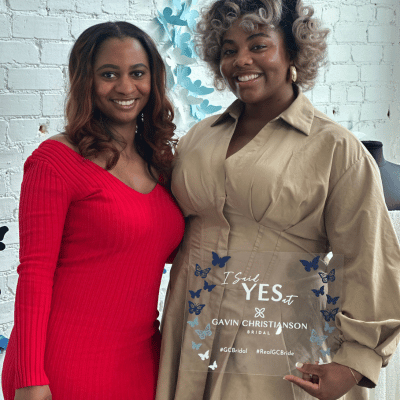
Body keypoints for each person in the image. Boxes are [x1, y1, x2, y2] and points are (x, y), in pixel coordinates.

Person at [155, 1, 400, 399]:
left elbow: (367, 257)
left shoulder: (335, 148)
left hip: (277, 348)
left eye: (258, 45)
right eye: (229, 50)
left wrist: (355, 361)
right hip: (191, 338)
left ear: (293, 51)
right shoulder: (198, 139)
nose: (241, 60)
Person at [2, 21, 184, 400]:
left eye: (138, 73)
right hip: (66, 362)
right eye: (109, 74)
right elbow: (35, 274)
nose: (126, 87)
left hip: (143, 359)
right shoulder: (55, 161)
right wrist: (29, 377)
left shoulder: (159, 162)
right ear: (86, 80)